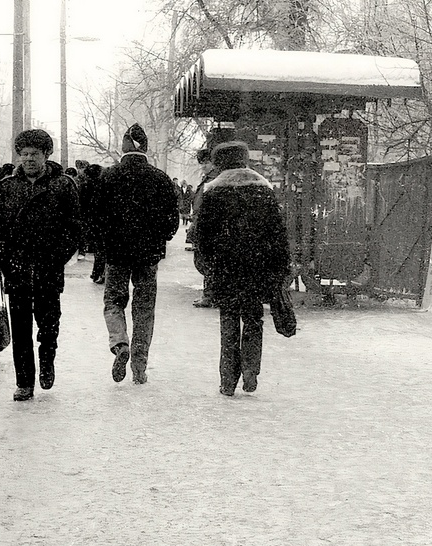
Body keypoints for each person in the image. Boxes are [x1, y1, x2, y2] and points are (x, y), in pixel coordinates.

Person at [0, 129, 81, 401]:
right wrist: (4, 258)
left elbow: (74, 229)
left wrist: (55, 258)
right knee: (20, 328)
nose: (28, 159)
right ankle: (24, 382)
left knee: (49, 324)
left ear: (46, 155)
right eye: (24, 154)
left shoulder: (63, 186)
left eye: (34, 154)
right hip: (16, 269)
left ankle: (47, 360)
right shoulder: (7, 187)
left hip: (48, 269)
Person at [196, 141, 289, 396]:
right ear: (245, 159)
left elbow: (202, 235)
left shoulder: (213, 192)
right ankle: (250, 370)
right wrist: (279, 267)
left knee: (228, 319)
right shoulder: (264, 190)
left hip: (226, 267)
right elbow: (277, 233)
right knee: (253, 317)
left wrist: (210, 263)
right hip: (257, 267)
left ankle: (227, 379)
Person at [94, 123, 179, 385]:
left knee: (114, 302)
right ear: (146, 147)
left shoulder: (107, 176)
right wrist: (157, 240)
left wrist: (106, 243)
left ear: (123, 147)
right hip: (148, 255)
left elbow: (95, 218)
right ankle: (140, 366)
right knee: (144, 309)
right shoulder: (160, 178)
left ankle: (120, 343)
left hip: (116, 254)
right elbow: (171, 222)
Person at [188, 147, 219, 307]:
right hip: (202, 225)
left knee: (208, 263)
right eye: (202, 163)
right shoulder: (208, 178)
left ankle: (210, 296)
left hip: (207, 227)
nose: (203, 166)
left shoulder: (213, 180)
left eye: (206, 163)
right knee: (206, 262)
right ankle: (210, 295)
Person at [81, 163, 107, 284]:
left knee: (99, 249)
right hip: (104, 221)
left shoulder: (85, 186)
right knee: (102, 249)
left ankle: (97, 273)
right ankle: (100, 272)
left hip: (92, 221)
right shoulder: (105, 185)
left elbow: (82, 205)